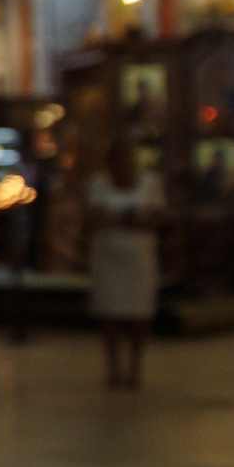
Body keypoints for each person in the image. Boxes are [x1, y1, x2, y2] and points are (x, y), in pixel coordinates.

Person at [86, 136, 164, 389]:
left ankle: (134, 369)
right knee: (110, 314)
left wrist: (119, 219)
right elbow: (93, 217)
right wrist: (127, 220)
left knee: (140, 313)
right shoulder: (98, 185)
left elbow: (156, 217)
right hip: (108, 260)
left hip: (139, 260)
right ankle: (113, 368)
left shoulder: (150, 183)